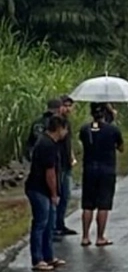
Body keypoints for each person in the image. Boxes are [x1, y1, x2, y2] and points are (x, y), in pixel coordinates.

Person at [25, 115, 69, 271]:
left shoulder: (50, 142)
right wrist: (54, 193)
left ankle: (48, 256)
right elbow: (50, 173)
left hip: (42, 188)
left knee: (49, 224)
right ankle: (37, 259)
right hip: (39, 188)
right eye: (65, 129)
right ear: (59, 128)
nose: (66, 132)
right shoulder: (47, 145)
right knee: (40, 223)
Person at [78, 103, 124, 247]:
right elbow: (121, 148)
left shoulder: (85, 129)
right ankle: (100, 237)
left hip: (89, 168)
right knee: (103, 204)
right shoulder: (113, 130)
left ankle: (85, 237)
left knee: (88, 204)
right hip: (107, 169)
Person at [54, 96, 78, 237]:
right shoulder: (55, 123)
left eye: (70, 106)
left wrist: (72, 156)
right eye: (65, 105)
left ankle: (60, 224)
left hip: (66, 163)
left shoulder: (67, 123)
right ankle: (55, 226)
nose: (68, 108)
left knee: (66, 195)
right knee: (57, 195)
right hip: (58, 164)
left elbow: (69, 142)